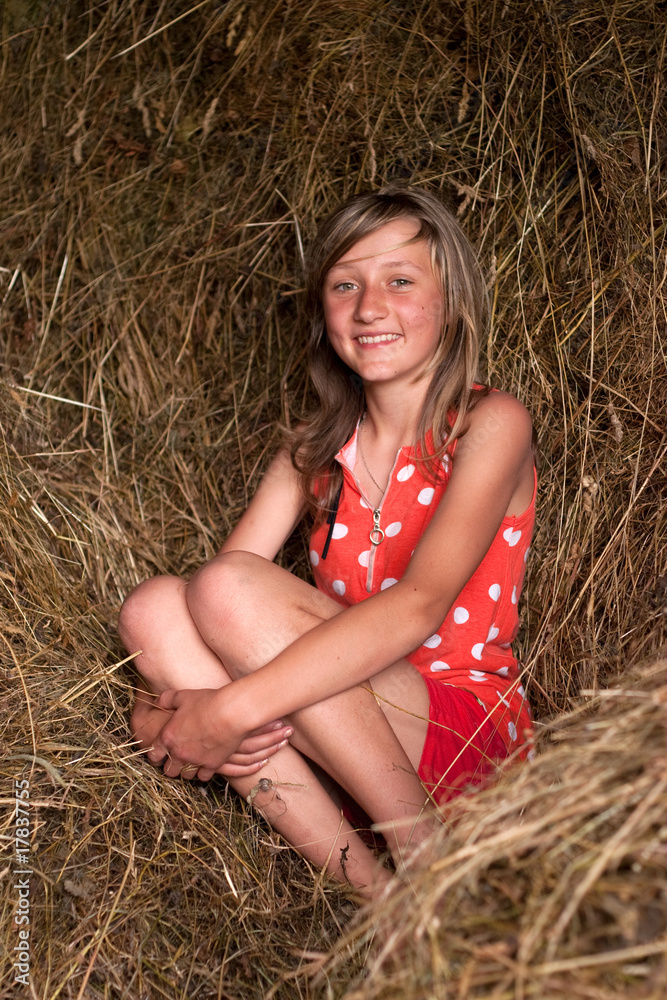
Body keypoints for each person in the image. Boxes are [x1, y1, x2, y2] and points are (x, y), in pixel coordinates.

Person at [119, 185, 536, 900]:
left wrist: (226, 712)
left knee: (227, 586)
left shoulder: (488, 424)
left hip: (458, 737)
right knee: (155, 606)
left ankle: (433, 870)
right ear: (322, 314)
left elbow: (418, 607)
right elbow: (196, 618)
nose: (369, 307)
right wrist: (157, 712)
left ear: (453, 301)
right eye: (345, 286)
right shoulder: (311, 453)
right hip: (336, 749)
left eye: (399, 281)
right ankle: (379, 899)